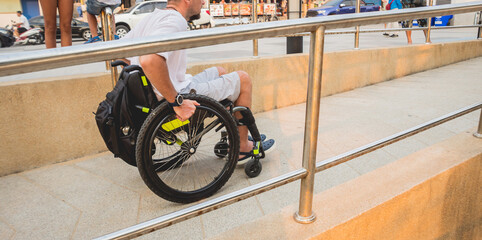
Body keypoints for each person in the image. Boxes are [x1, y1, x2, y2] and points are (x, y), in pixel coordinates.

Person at [121, 0, 275, 164]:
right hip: (175, 96)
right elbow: (150, 60)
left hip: (159, 95)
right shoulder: (175, 20)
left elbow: (121, 52)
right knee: (243, 79)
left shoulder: (152, 17)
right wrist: (176, 101)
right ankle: (242, 148)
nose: (203, 2)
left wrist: (147, 82)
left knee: (220, 71)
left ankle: (238, 131)